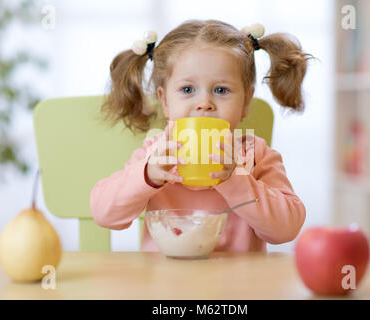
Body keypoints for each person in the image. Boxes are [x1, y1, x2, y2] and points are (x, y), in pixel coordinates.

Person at [90, 19, 313, 252]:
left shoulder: (254, 155)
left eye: (221, 90)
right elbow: (103, 214)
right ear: (165, 101)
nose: (204, 104)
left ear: (246, 102)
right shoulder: (156, 153)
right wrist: (147, 176)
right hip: (164, 284)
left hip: (239, 285)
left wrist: (236, 179)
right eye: (187, 90)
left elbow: (286, 229)